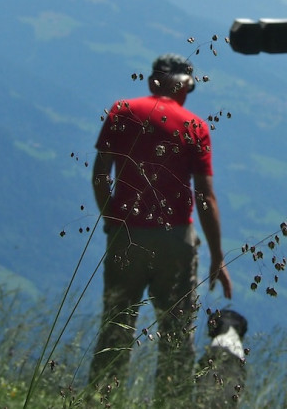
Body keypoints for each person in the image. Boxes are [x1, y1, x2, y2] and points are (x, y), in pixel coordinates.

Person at [89, 53, 233, 403]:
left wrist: (113, 221)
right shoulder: (195, 126)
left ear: (153, 81)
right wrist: (217, 256)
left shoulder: (121, 111)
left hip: (127, 236)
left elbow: (98, 176)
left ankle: (99, 402)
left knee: (115, 331)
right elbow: (205, 197)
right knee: (176, 338)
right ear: (182, 85)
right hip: (175, 243)